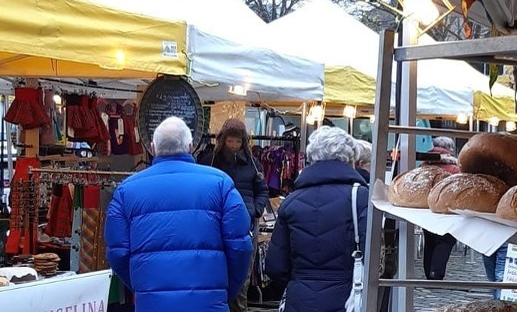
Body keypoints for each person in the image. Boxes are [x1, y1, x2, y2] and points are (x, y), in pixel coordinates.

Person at [105, 117, 253, 312]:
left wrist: (145, 286)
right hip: (209, 304)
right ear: (190, 146)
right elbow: (241, 248)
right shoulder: (220, 184)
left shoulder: (126, 191)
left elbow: (117, 253)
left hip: (153, 304)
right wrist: (224, 289)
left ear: (152, 147)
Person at [266, 126, 369, 312]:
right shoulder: (360, 198)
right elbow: (372, 257)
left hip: (299, 299)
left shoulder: (290, 202)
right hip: (346, 298)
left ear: (312, 158)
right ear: (350, 158)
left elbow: (275, 266)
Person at [203, 118, 269, 312]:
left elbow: (263, 190)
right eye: (230, 141)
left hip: (247, 223)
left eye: (237, 142)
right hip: (217, 223)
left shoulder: (253, 164)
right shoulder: (211, 162)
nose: (233, 146)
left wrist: (255, 210)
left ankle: (239, 309)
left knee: (243, 274)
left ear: (243, 142)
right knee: (217, 270)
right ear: (223, 140)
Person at [420, 136, 460, 280]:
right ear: (449, 149)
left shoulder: (424, 165)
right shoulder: (454, 169)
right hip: (446, 211)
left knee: (429, 240)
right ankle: (436, 273)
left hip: (426, 210)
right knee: (446, 240)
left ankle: (428, 272)